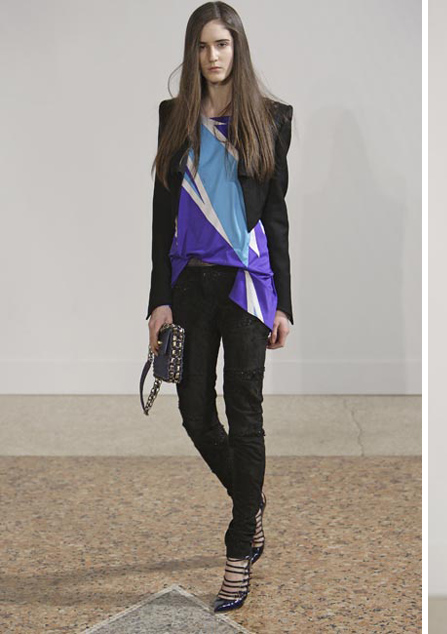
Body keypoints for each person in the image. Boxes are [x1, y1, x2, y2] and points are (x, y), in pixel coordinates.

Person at [145, 1, 294, 613]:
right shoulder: (173, 117)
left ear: (238, 48)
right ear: (193, 52)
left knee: (245, 413)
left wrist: (285, 303)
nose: (213, 56)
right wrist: (158, 299)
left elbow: (277, 215)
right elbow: (161, 216)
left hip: (247, 285)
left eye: (222, 44)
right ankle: (250, 499)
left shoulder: (271, 119)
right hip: (190, 286)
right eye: (203, 46)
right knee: (195, 413)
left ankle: (238, 551)